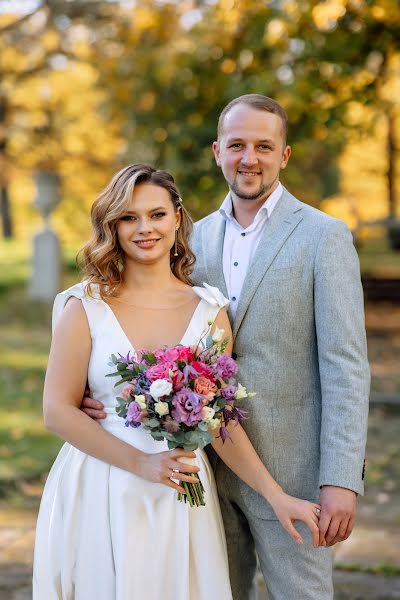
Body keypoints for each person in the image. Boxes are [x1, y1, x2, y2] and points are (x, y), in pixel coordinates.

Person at [83, 96, 370, 600]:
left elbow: (345, 367)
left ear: (283, 155)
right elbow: (149, 324)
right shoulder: (189, 241)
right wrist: (103, 394)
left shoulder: (324, 237)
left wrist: (342, 478)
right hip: (201, 476)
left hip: (295, 473)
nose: (249, 158)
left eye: (264, 145)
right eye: (237, 145)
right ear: (218, 151)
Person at [33, 163, 322, 600]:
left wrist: (276, 496)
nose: (144, 228)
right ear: (112, 226)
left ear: (177, 218)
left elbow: (220, 421)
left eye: (156, 214)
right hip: (101, 486)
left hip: (182, 493)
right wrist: (143, 464)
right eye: (128, 217)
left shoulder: (209, 311)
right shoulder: (85, 305)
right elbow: (57, 410)